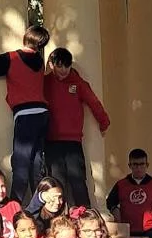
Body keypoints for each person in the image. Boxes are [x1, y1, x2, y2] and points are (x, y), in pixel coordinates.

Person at [0, 24, 51, 203]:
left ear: (26, 37)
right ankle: (40, 204)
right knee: (36, 162)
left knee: (21, 162)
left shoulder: (11, 58)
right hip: (43, 114)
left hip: (25, 114)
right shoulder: (39, 61)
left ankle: (15, 203)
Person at [43, 47, 109, 209]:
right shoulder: (44, 82)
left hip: (73, 141)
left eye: (67, 66)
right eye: (60, 66)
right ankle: (58, 217)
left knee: (78, 179)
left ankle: (85, 214)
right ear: (51, 65)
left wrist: (104, 122)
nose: (64, 70)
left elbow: (94, 102)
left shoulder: (77, 83)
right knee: (56, 181)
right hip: (51, 140)